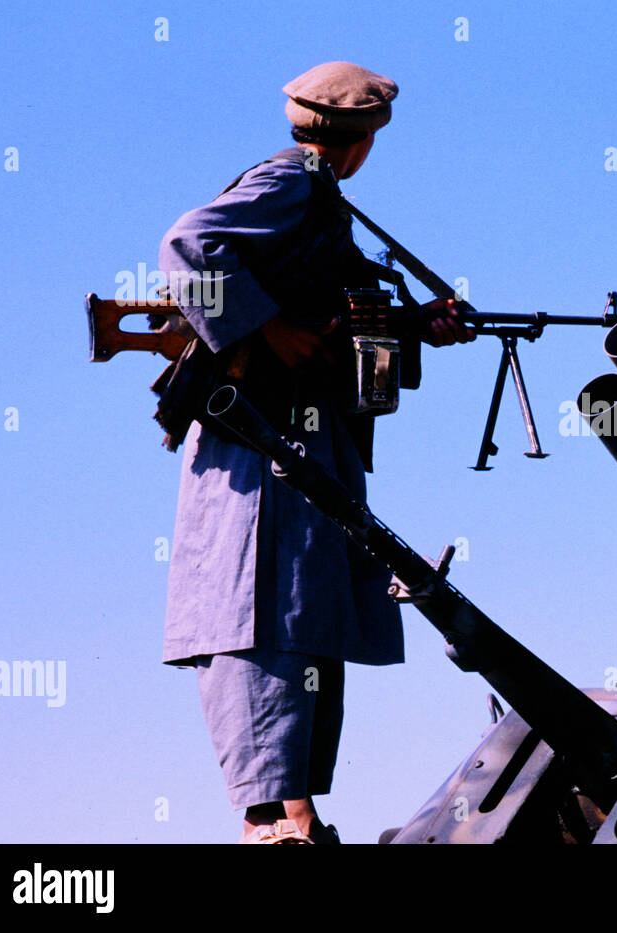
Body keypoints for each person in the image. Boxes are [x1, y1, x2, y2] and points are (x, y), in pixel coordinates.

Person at [157, 61, 473, 844]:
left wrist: (415, 325)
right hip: (262, 441)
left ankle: (295, 811)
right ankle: (272, 819)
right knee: (263, 610)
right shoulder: (293, 183)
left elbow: (331, 318)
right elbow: (189, 243)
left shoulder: (318, 200)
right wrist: (264, 329)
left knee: (305, 612)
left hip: (298, 438)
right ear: (362, 141)